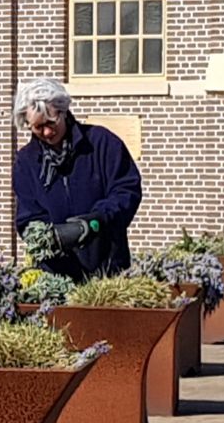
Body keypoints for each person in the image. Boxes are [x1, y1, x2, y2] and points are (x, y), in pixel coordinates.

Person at [12, 75, 142, 281]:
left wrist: (96, 220)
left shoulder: (101, 143)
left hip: (108, 269)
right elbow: (27, 217)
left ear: (63, 111)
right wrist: (53, 237)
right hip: (56, 276)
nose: (47, 132)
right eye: (38, 127)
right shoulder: (26, 161)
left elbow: (126, 190)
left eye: (51, 122)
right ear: (27, 124)